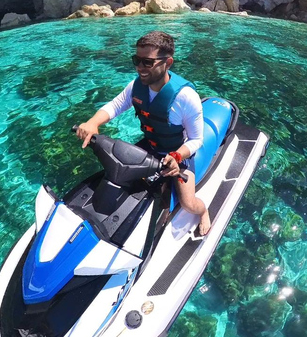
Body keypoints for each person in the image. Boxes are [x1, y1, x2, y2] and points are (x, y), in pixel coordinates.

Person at [76, 31, 211, 236]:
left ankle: (204, 213)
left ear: (168, 62)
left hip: (177, 154)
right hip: (150, 146)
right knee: (118, 175)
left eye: (147, 62)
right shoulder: (136, 86)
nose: (140, 67)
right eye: (136, 60)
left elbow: (196, 140)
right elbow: (116, 105)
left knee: (187, 203)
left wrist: (176, 156)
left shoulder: (185, 98)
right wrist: (93, 122)